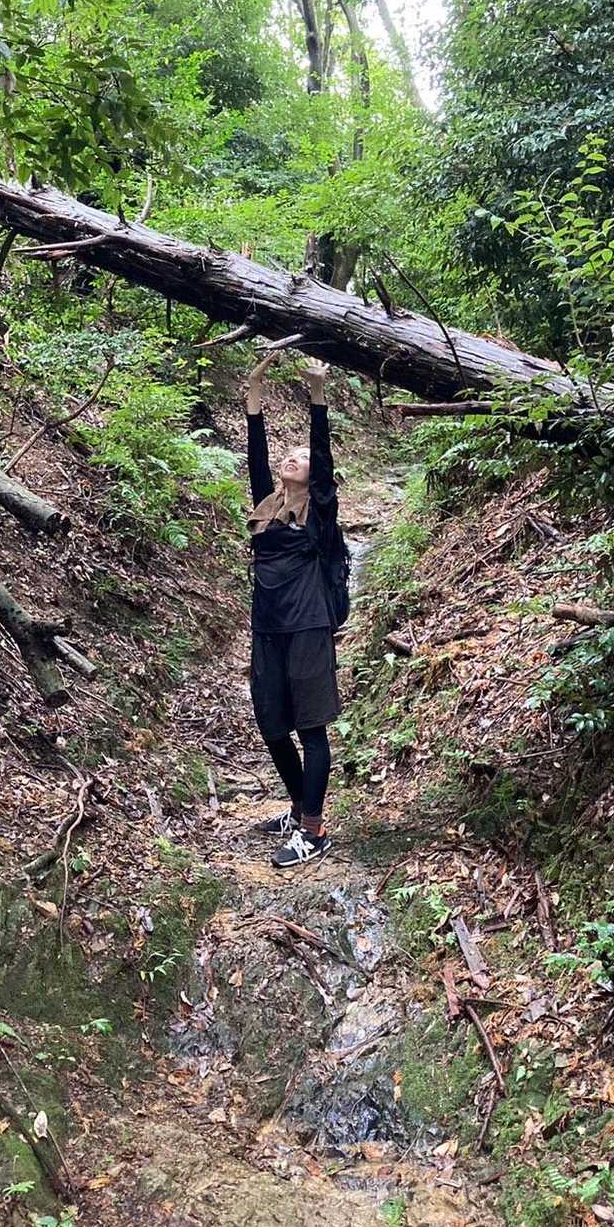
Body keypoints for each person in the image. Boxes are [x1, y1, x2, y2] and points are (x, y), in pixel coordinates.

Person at [245, 352, 342, 868]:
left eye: (301, 457)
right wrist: (254, 397)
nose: (292, 458)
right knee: (272, 725)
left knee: (310, 729)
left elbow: (322, 461)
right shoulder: (267, 506)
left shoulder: (318, 512)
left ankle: (313, 829)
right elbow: (256, 454)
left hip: (307, 626)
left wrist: (317, 394)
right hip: (267, 628)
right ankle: (299, 807)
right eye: (290, 454)